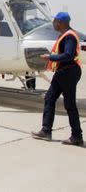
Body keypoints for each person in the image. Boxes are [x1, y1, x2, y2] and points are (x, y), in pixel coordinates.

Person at [32, 12, 83, 146]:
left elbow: (68, 55)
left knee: (70, 104)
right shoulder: (64, 35)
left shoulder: (70, 37)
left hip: (69, 72)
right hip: (62, 73)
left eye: (54, 21)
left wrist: (50, 57)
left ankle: (77, 136)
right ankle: (46, 130)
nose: (53, 23)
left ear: (60, 22)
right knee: (49, 98)